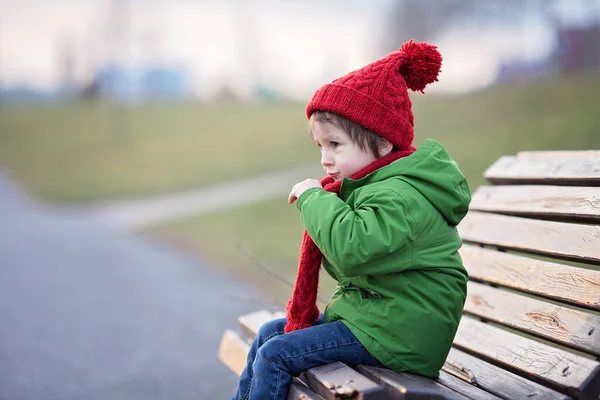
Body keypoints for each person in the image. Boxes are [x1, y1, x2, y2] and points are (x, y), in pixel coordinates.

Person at [231, 40, 471, 400]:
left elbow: (351, 249)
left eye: (335, 145)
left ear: (383, 144)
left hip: (400, 335)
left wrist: (314, 199)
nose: (325, 159)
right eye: (320, 146)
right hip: (375, 321)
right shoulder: (372, 188)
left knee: (276, 355)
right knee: (270, 333)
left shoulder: (401, 196)